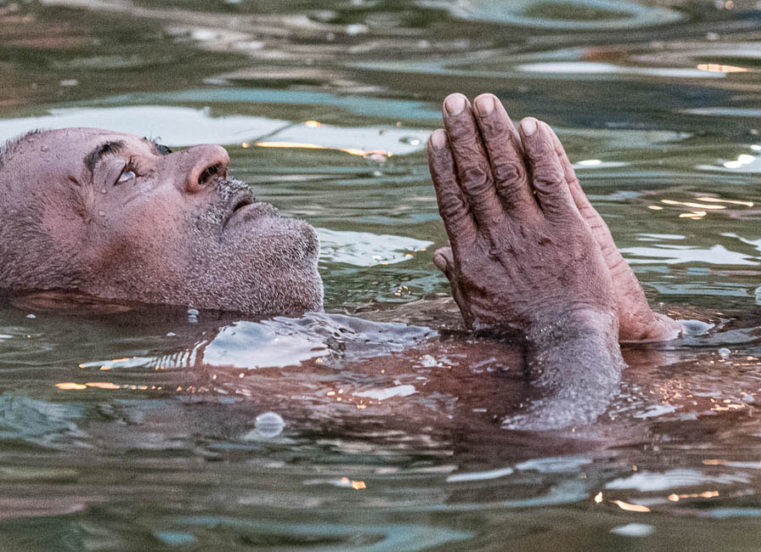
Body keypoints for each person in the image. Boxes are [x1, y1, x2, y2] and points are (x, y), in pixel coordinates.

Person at [0, 93, 682, 429]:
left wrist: (641, 330)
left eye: (161, 148)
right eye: (125, 175)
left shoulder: (316, 342)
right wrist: (570, 322)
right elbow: (563, 477)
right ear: (63, 299)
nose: (209, 155)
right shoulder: (222, 378)